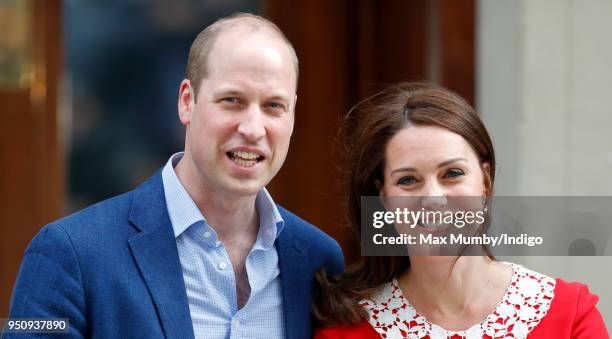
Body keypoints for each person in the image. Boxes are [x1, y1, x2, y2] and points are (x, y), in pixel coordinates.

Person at [8, 13, 344, 339]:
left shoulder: (319, 261)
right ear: (187, 101)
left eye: (273, 106)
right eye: (232, 101)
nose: (253, 129)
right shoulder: (71, 253)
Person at [313, 82, 608, 338]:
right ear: (384, 198)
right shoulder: (345, 330)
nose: (433, 197)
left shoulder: (570, 313)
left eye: (452, 173)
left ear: (486, 181)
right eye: (408, 180)